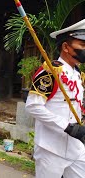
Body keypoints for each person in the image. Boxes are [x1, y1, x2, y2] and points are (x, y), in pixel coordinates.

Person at [25, 19, 85, 178]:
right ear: (66, 47)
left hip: (76, 148)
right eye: (82, 46)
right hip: (50, 148)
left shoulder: (78, 74)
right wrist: (67, 126)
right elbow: (33, 106)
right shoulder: (50, 71)